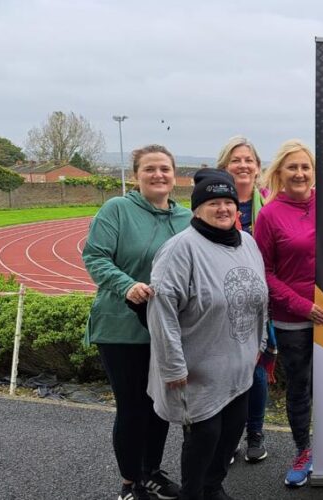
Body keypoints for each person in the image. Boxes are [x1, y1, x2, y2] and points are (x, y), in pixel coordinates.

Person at [146, 169, 268, 500]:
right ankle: (194, 493)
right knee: (204, 438)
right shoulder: (180, 250)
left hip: (239, 365)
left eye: (227, 201)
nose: (223, 209)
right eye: (213, 202)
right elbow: (161, 310)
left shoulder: (248, 243)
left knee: (231, 433)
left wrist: (260, 343)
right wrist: (172, 365)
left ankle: (213, 487)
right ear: (197, 209)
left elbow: (260, 296)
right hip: (197, 369)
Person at [82, 144, 189, 500]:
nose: (158, 175)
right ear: (136, 175)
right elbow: (95, 256)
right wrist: (127, 285)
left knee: (160, 407)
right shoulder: (117, 209)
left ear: (174, 175)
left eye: (164, 169)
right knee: (132, 407)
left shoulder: (187, 219)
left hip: (168, 331)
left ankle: (151, 472)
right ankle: (130, 483)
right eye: (149, 169)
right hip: (122, 329)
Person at [254, 139, 323, 488]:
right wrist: (304, 307)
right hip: (294, 319)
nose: (300, 173)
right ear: (280, 172)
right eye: (292, 167)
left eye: (305, 167)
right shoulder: (269, 214)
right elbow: (264, 273)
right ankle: (304, 451)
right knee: (300, 388)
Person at [216, 136, 274, 463]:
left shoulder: (269, 201)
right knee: (224, 366)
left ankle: (255, 432)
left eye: (248, 160)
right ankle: (229, 436)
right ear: (225, 166)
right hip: (222, 297)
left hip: (260, 296)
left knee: (256, 368)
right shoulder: (214, 201)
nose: (243, 165)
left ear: (257, 167)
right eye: (236, 160)